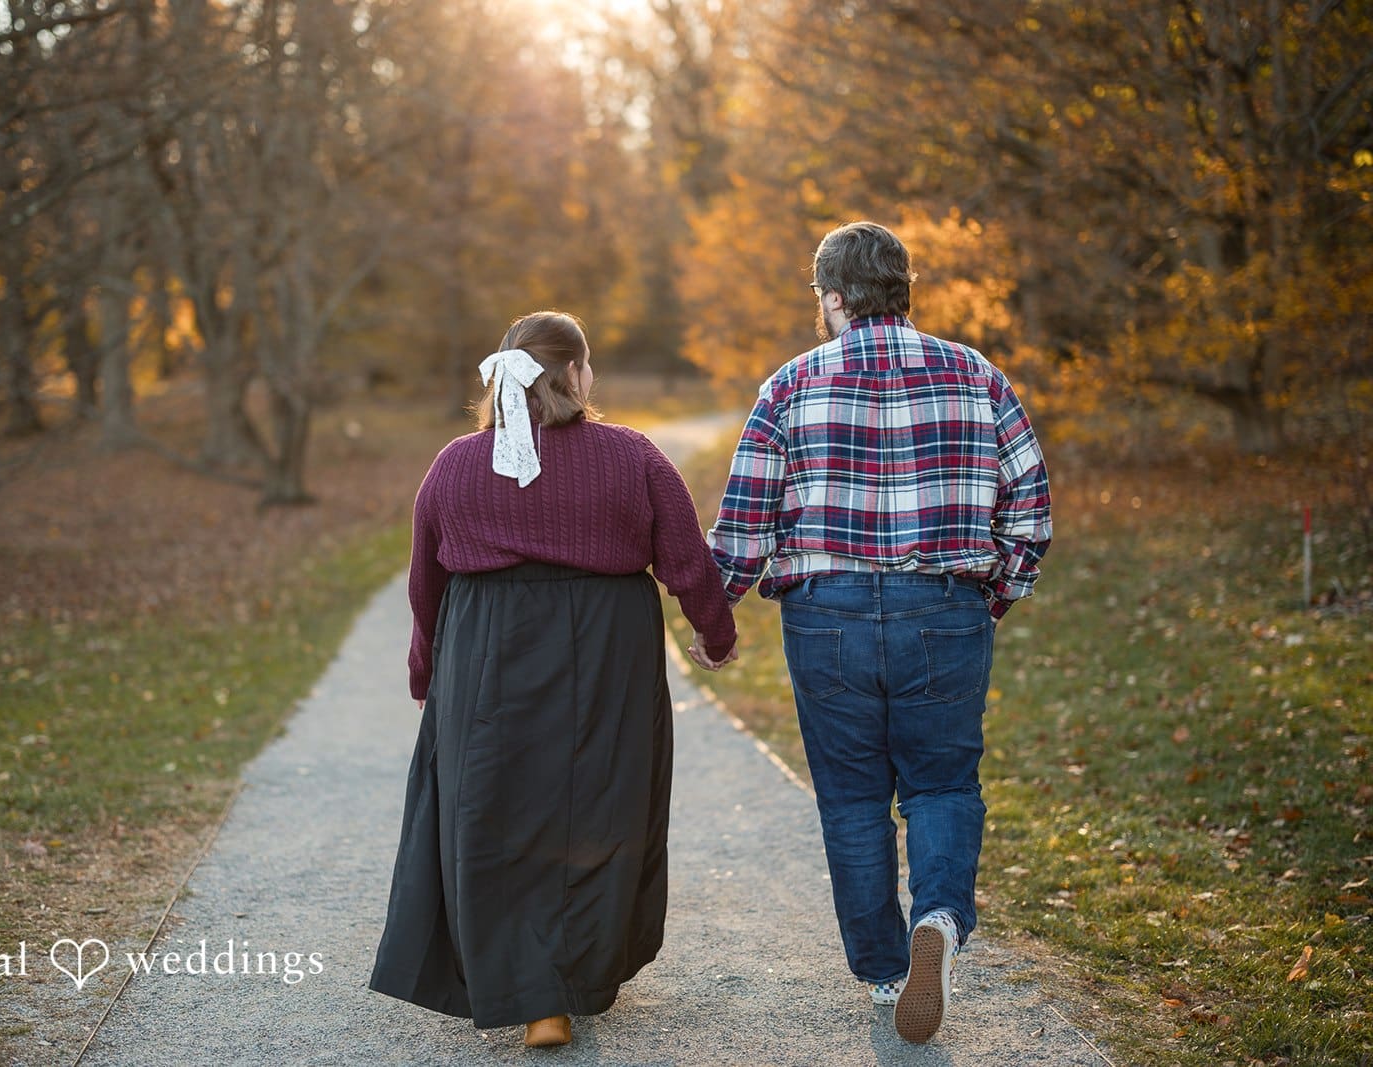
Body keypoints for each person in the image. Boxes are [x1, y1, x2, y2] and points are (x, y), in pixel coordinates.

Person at [708, 222, 1052, 1044]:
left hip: (827, 616)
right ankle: (936, 919)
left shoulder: (790, 385)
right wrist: (989, 596)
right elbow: (1030, 506)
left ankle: (885, 971)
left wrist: (714, 614)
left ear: (831, 298)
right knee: (941, 782)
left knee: (853, 797)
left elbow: (745, 523)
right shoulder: (977, 375)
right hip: (945, 605)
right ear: (904, 289)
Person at [370, 310, 738, 1049]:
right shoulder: (632, 455)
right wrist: (715, 631)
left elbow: (425, 586)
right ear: (574, 374)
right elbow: (688, 560)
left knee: (496, 806)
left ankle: (537, 994)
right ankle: (562, 982)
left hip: (487, 652)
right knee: (598, 803)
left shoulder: (454, 464)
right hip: (605, 652)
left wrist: (426, 673)